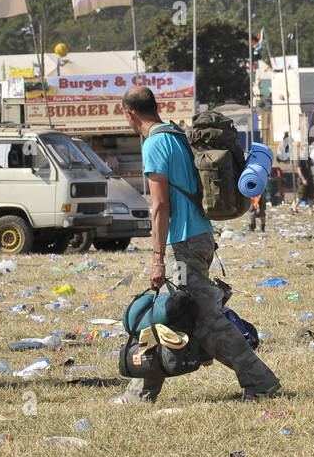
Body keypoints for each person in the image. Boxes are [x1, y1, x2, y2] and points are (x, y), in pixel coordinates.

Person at [116, 87, 280, 404]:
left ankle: (261, 381)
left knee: (207, 321)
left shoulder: (154, 144)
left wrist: (157, 258)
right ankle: (140, 393)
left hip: (183, 242)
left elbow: (160, 205)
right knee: (164, 316)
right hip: (199, 235)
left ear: (130, 113)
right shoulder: (176, 135)